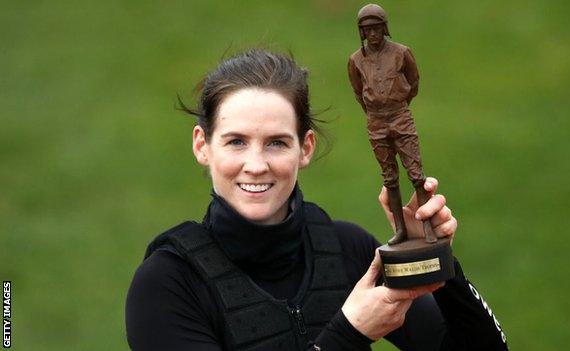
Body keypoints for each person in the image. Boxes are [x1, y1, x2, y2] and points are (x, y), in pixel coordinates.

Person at [125, 50, 508, 350]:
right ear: (202, 146)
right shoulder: (167, 284)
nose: (256, 165)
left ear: (305, 149)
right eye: (236, 141)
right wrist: (351, 333)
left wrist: (437, 260)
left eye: (277, 142)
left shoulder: (347, 250)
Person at [348, 4, 431, 244]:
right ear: (362, 32)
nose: (372, 34)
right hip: (376, 121)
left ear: (384, 28)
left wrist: (399, 104)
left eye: (376, 28)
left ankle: (427, 226)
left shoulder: (401, 53)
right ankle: (401, 230)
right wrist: (374, 111)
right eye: (367, 30)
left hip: (400, 116)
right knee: (389, 178)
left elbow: (413, 81)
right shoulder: (356, 61)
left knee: (416, 174)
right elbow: (357, 90)